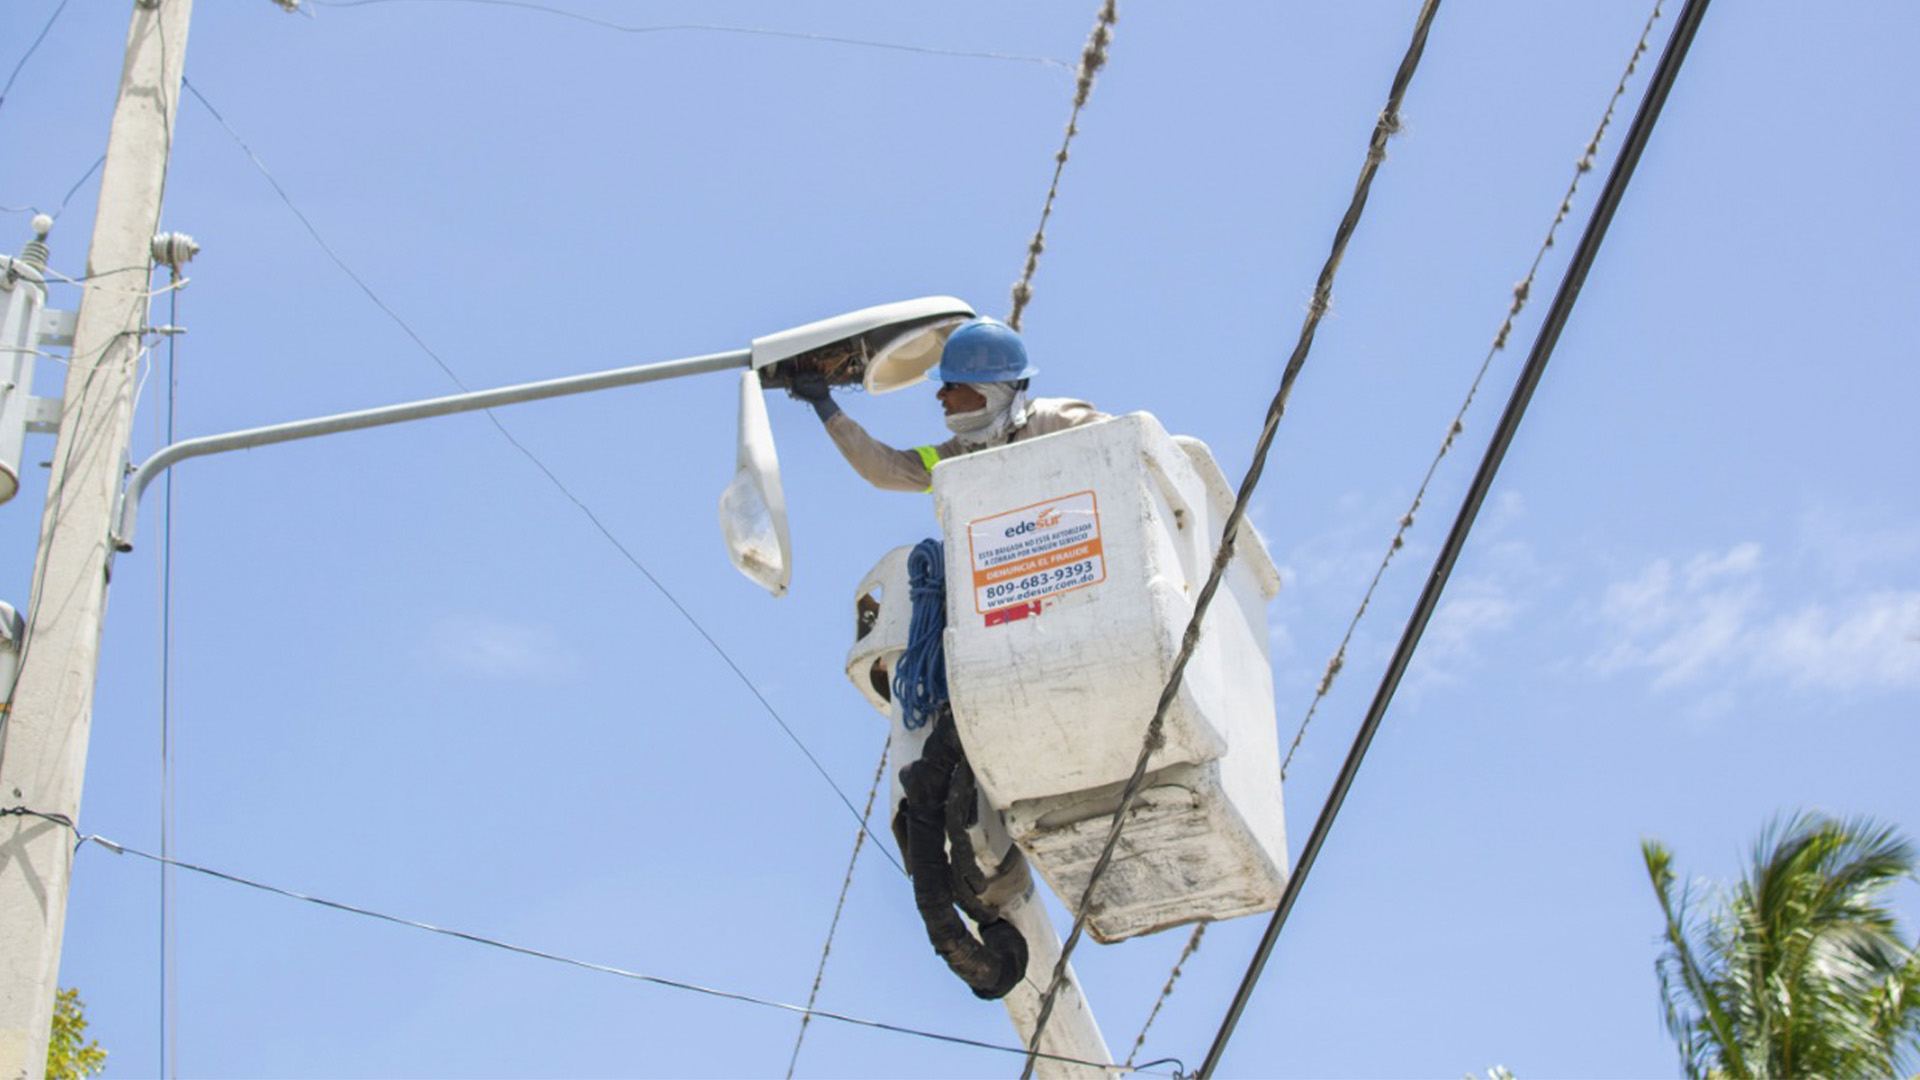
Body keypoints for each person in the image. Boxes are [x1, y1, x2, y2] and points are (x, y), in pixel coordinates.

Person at [789, 318, 1106, 493]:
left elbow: (1127, 448)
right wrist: (825, 405)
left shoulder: (1056, 420)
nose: (940, 397)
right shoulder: (956, 456)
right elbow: (883, 470)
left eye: (950, 386)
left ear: (985, 392)